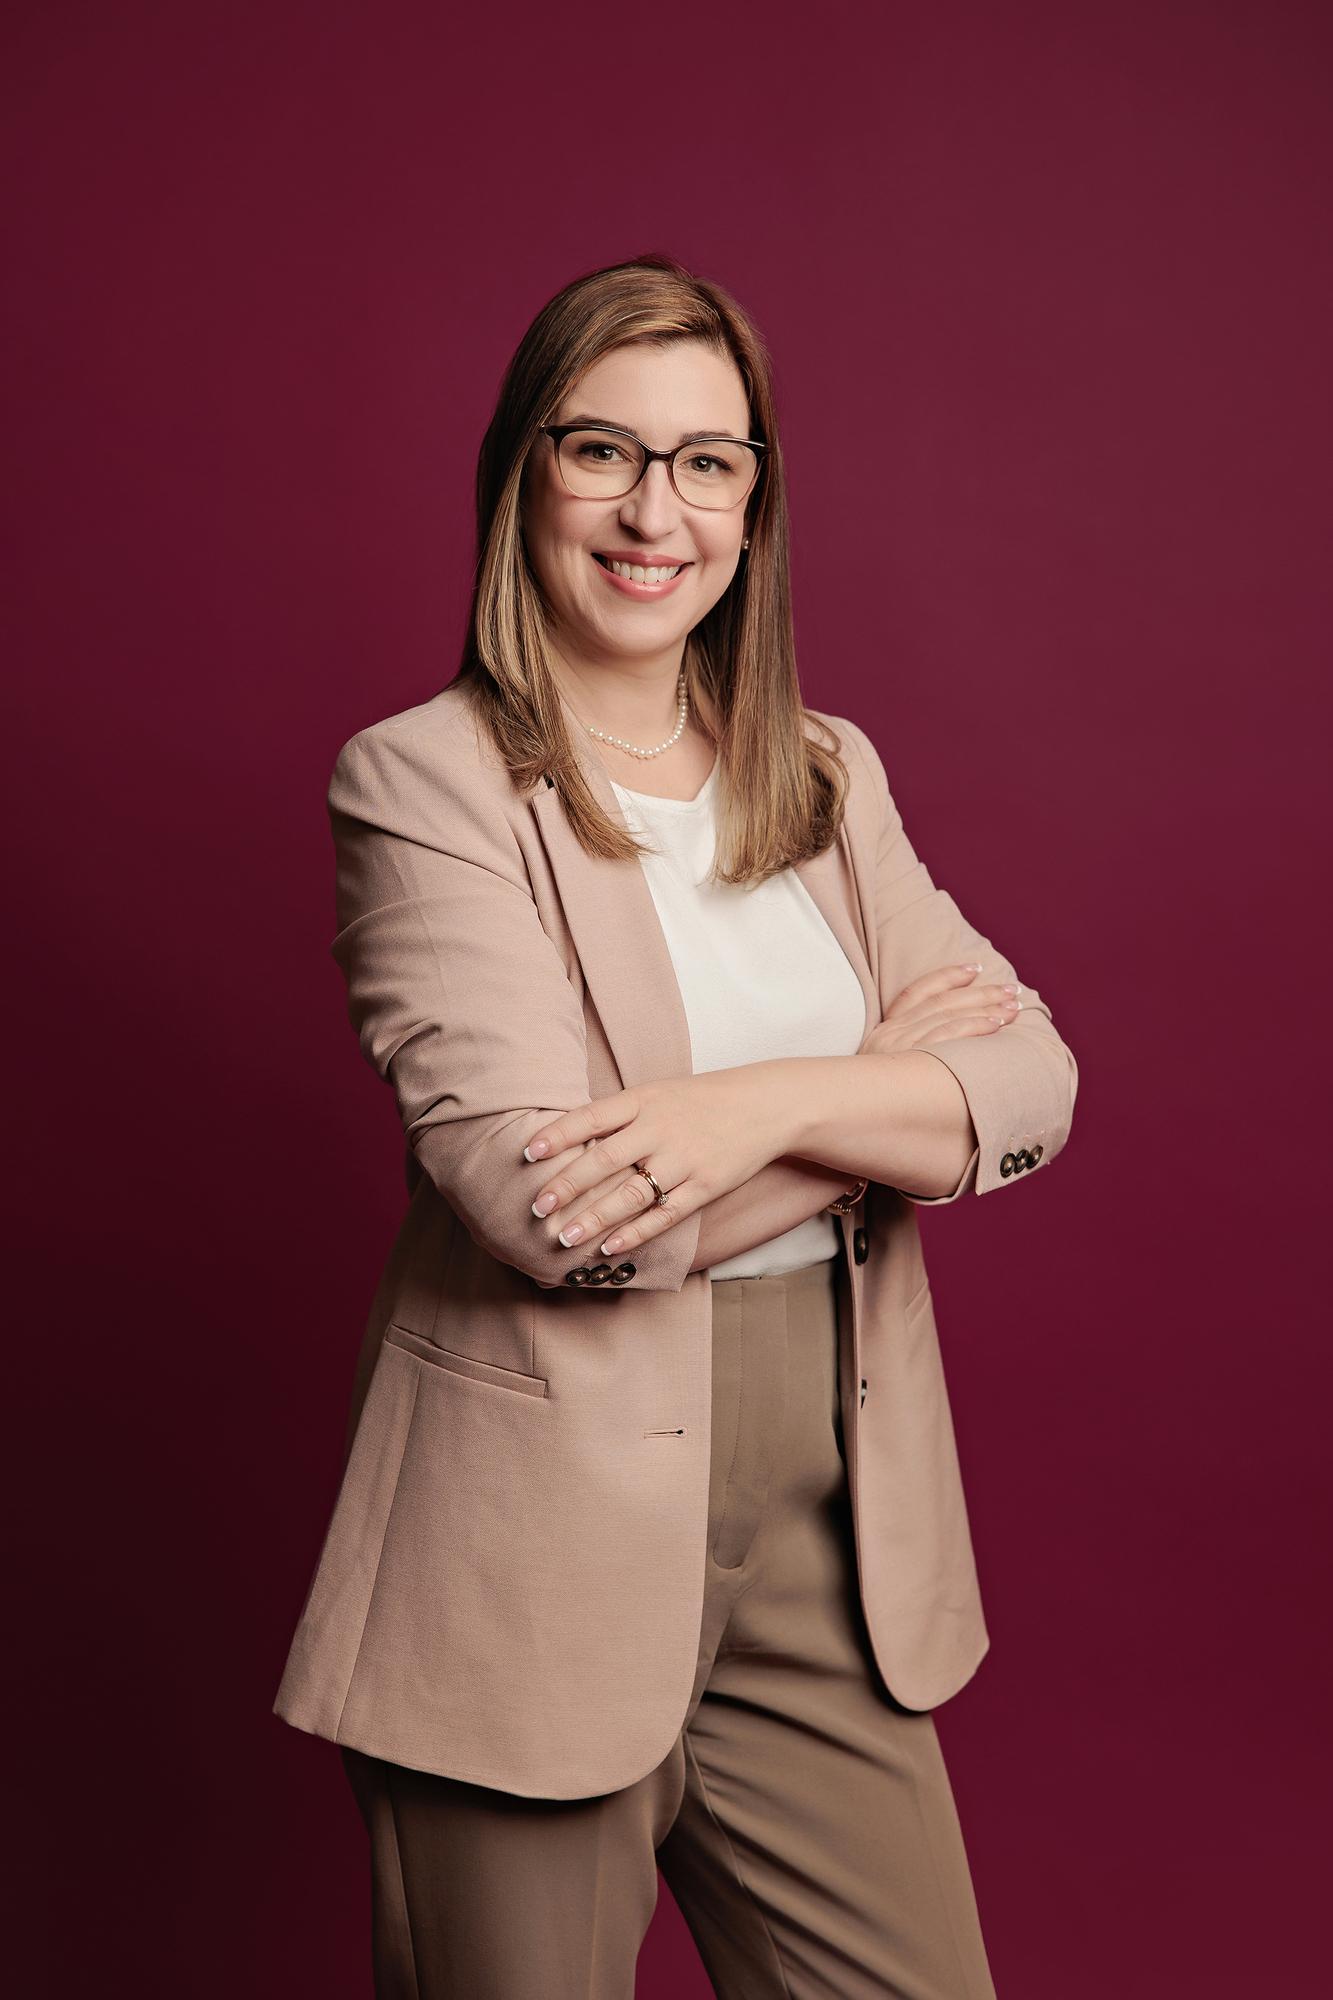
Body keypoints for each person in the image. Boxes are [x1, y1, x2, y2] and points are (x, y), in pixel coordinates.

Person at [273, 253, 1079, 1998]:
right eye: (602, 451)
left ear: (754, 504)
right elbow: (550, 1208)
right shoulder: (424, 782)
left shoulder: (825, 777)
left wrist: (745, 1112)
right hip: (532, 1549)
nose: (658, 512)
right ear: (521, 476)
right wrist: (882, 1096)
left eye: (708, 462)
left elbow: (1032, 1085)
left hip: (832, 1533)